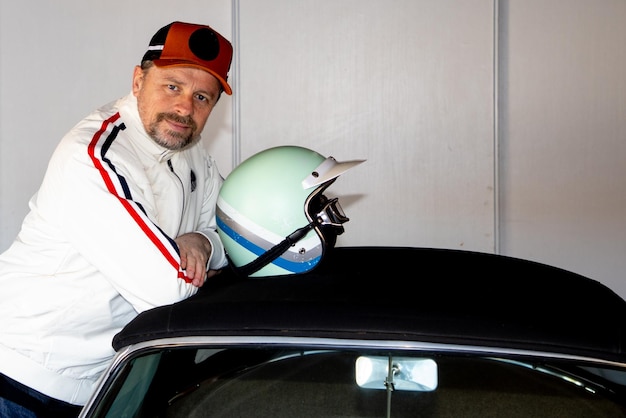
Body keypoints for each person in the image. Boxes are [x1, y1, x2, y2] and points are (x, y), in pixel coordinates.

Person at [0, 21, 232, 417]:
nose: (185, 108)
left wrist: (202, 243)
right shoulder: (94, 156)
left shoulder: (191, 150)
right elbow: (167, 289)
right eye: (172, 86)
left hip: (98, 380)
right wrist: (200, 251)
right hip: (21, 376)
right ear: (138, 80)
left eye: (202, 97)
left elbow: (232, 229)